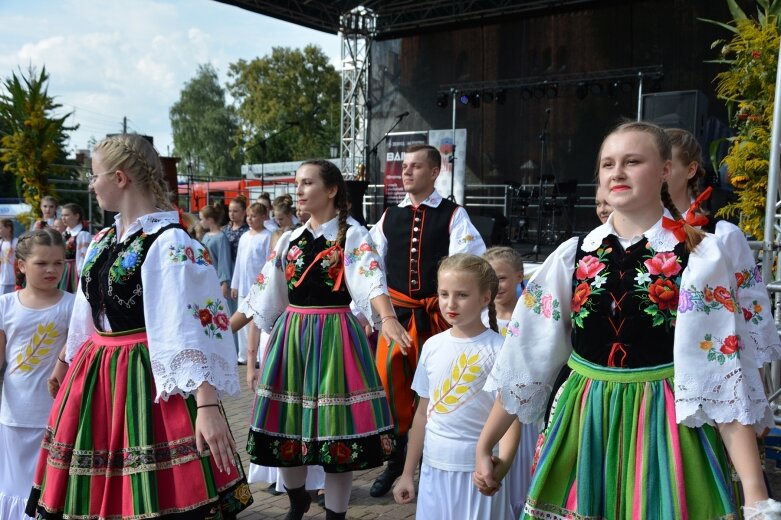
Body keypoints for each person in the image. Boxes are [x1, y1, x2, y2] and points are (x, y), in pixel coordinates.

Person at [474, 121, 777, 519]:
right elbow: (526, 359)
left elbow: (720, 378)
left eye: (633, 161)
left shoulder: (700, 258)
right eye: (608, 164)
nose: (617, 172)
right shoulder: (573, 255)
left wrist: (756, 497)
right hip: (585, 425)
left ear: (666, 170)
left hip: (667, 428)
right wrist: (487, 444)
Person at [26, 134, 252, 519]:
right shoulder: (102, 239)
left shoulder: (171, 242)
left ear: (119, 178)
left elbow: (193, 327)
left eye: (94, 175)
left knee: (155, 494)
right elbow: (88, 307)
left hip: (150, 379)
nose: (90, 185)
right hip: (96, 376)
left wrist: (208, 405)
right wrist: (66, 357)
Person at [236, 159, 411, 520]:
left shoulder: (352, 235)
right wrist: (224, 327)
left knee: (337, 436)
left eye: (307, 183)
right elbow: (263, 291)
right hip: (293, 339)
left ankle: (335, 516)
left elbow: (368, 276)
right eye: (297, 183)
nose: (298, 191)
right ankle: (297, 499)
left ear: (331, 190)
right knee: (286, 430)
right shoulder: (290, 239)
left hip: (335, 338)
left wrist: (388, 317)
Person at [368, 143, 486, 497]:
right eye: (404, 166)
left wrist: (457, 312)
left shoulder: (453, 214)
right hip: (398, 317)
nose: (406, 172)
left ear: (434, 172)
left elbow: (468, 263)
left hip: (438, 316)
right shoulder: (389, 216)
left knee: (437, 391)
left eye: (415, 166)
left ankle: (431, 460)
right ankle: (396, 463)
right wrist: (377, 312)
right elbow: (369, 265)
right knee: (392, 388)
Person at [393, 253, 519, 520]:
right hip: (434, 469)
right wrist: (407, 473)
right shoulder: (432, 346)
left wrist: (501, 467)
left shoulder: (501, 349)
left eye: (462, 295)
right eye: (444, 294)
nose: (451, 303)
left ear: (485, 298)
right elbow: (422, 413)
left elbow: (511, 417)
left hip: (477, 473)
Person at [665, 127, 781, 366]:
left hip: (703, 364)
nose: (657, 173)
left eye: (666, 166)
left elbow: (750, 300)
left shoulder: (721, 235)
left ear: (691, 170)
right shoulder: (629, 234)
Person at [0, 229, 74, 519]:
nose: (51, 270)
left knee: (48, 489)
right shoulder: (5, 305)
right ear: (20, 265)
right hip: (14, 414)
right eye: (42, 263)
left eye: (58, 263)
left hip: (56, 415)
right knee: (15, 486)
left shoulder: (73, 306)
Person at [482, 246, 536, 516]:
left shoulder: (532, 317)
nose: (497, 285)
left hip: (524, 417)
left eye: (502, 278)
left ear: (519, 276)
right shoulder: (479, 318)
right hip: (486, 414)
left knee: (521, 473)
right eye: (491, 279)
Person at [230, 202, 271, 365]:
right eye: (248, 216)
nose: (250, 219)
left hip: (259, 286)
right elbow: (239, 263)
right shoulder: (244, 236)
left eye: (254, 216)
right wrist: (235, 284)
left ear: (263, 217)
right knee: (242, 319)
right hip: (244, 286)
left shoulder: (267, 236)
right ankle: (243, 356)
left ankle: (259, 356)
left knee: (257, 322)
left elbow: (268, 261)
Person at [200, 203, 233, 302]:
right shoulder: (206, 235)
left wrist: (224, 283)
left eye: (202, 219)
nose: (200, 222)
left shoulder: (221, 237)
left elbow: (224, 260)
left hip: (217, 279)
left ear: (210, 220)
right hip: (207, 277)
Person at [58, 202, 92, 293]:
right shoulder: (65, 233)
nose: (63, 218)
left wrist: (80, 275)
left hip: (74, 270)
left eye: (66, 215)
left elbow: (83, 257)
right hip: (64, 268)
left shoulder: (82, 234)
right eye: (62, 215)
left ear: (77, 216)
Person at [0, 219, 17, 294]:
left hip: (14, 281)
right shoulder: (0, 243)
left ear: (9, 228)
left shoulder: (17, 242)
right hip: (1, 281)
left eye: (0, 228)